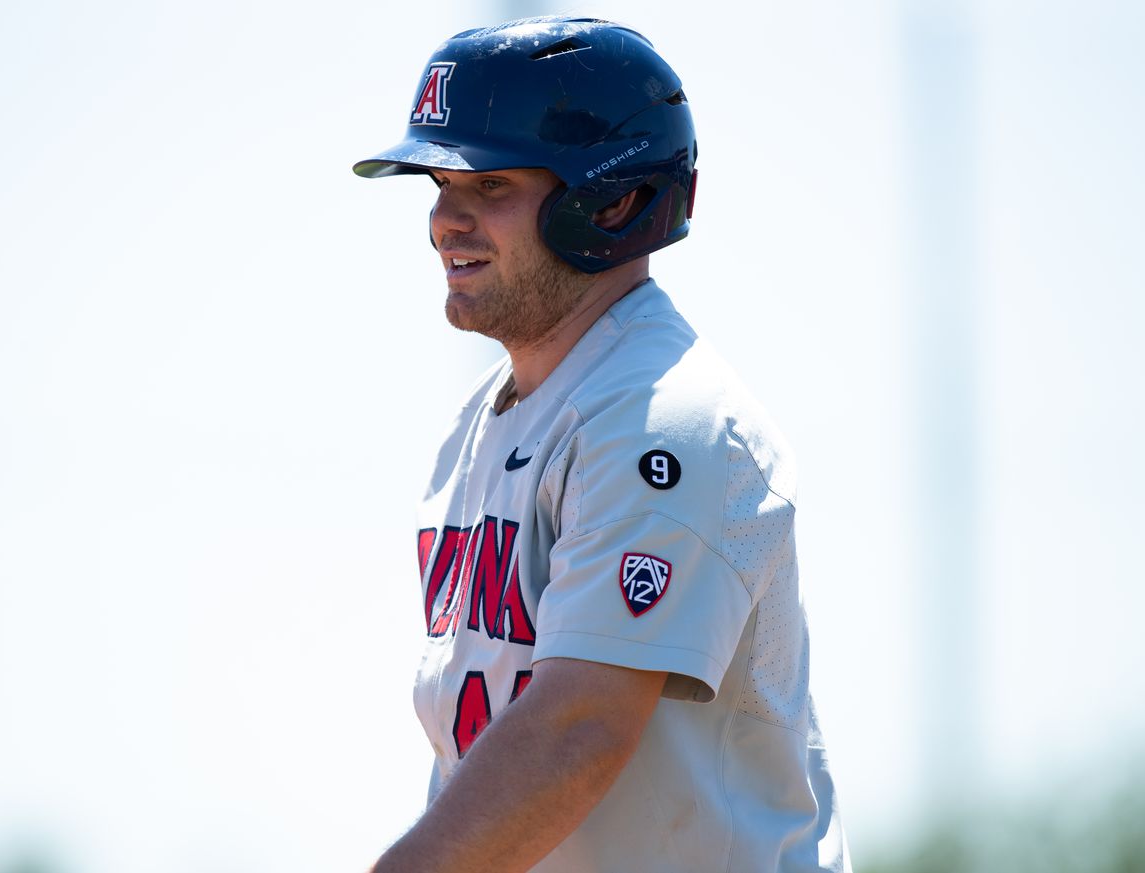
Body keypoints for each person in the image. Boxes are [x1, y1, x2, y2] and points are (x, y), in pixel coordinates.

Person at [352, 16, 851, 873]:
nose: (443, 220)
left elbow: (575, 730)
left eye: (490, 185)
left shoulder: (667, 419)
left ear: (613, 200)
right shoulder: (488, 422)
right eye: (437, 184)